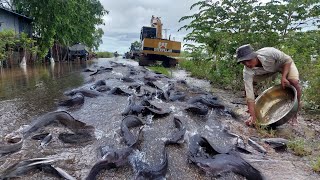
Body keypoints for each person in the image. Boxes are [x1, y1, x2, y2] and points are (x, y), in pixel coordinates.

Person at [236, 44, 302, 126]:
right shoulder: (247, 71)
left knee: (294, 82)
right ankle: (251, 111)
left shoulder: (269, 52)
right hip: (266, 72)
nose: (247, 64)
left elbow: (288, 60)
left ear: (254, 55)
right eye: (243, 62)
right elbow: (250, 96)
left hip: (283, 65)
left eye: (248, 60)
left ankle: (294, 115)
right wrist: (253, 117)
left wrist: (284, 77)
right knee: (248, 88)